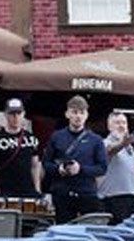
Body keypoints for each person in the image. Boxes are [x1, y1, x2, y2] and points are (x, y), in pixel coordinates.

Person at [43, 95, 107, 224]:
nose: (78, 116)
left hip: (86, 193)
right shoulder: (57, 136)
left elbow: (102, 168)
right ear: (67, 114)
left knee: (89, 232)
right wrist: (59, 169)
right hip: (62, 193)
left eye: (81, 113)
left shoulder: (96, 140)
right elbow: (46, 163)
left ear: (86, 115)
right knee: (64, 231)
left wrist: (80, 169)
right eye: (75, 112)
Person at [0, 98, 42, 200]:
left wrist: (37, 189)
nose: (15, 117)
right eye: (12, 113)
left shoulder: (31, 138)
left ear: (23, 114)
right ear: (6, 114)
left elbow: (36, 166)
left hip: (28, 191)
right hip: (5, 192)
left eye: (18, 113)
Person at [97, 110, 134, 225]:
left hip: (131, 196)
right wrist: (122, 144)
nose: (121, 126)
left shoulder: (130, 148)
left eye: (124, 123)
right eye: (117, 123)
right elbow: (110, 151)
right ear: (109, 126)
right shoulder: (104, 143)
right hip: (113, 198)